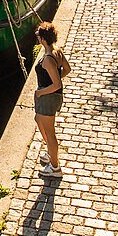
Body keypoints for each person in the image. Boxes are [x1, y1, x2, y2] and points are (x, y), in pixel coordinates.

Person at [33, 21, 71, 178]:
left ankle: (55, 167)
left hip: (48, 97)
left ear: (43, 39)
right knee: (38, 119)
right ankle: (50, 152)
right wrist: (53, 80)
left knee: (50, 132)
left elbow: (56, 84)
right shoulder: (57, 51)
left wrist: (41, 92)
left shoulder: (48, 58)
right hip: (50, 96)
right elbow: (67, 69)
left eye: (38, 36)